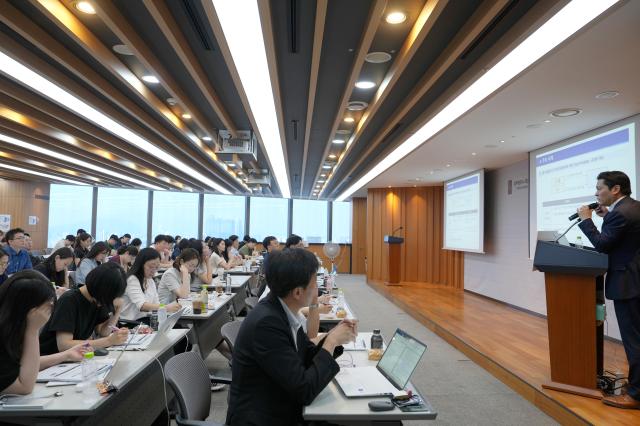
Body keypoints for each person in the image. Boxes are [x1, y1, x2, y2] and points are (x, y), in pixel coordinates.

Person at [226, 249, 356, 425]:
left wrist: (332, 336)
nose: (317, 288)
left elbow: (305, 353)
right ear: (297, 293)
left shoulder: (280, 309)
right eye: (314, 283)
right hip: (265, 418)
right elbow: (304, 391)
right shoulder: (266, 324)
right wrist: (331, 342)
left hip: (280, 402)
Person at [577, 171, 640, 409]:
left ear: (615, 190)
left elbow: (603, 245)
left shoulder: (620, 214)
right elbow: (624, 241)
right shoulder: (633, 208)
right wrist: (606, 217)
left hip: (628, 284)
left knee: (634, 341)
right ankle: (636, 385)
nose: (595, 193)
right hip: (636, 280)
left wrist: (586, 220)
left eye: (599, 188)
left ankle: (636, 394)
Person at [0, 271, 89, 395]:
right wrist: (33, 330)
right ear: (27, 308)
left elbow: (20, 365)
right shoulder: (12, 330)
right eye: (48, 306)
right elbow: (24, 387)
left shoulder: (12, 326)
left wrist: (67, 355)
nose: (50, 312)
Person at [39, 263, 129, 354]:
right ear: (101, 289)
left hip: (75, 357)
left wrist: (118, 310)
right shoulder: (69, 301)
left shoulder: (98, 299)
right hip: (52, 359)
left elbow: (103, 332)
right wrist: (109, 341)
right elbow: (64, 345)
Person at [121, 248, 180, 321]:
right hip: (131, 323)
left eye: (156, 267)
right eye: (151, 267)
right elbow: (142, 306)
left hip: (146, 319)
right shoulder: (132, 279)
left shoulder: (150, 280)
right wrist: (167, 307)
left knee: (177, 325)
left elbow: (157, 303)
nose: (154, 270)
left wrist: (164, 306)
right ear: (141, 264)